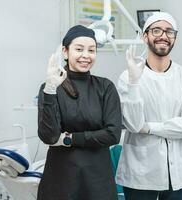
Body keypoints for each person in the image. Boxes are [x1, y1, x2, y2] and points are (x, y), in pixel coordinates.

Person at [116, 12, 182, 200]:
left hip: (179, 173)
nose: (163, 36)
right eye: (156, 30)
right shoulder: (128, 77)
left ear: (174, 38)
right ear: (144, 36)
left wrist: (149, 127)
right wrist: (133, 83)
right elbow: (133, 124)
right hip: (141, 173)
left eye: (169, 31)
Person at [37, 25, 122, 200]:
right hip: (61, 179)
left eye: (91, 50)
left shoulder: (105, 87)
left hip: (97, 179)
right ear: (65, 51)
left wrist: (69, 139)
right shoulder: (52, 87)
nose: (86, 55)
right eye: (79, 49)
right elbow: (50, 137)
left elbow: (113, 134)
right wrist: (51, 90)